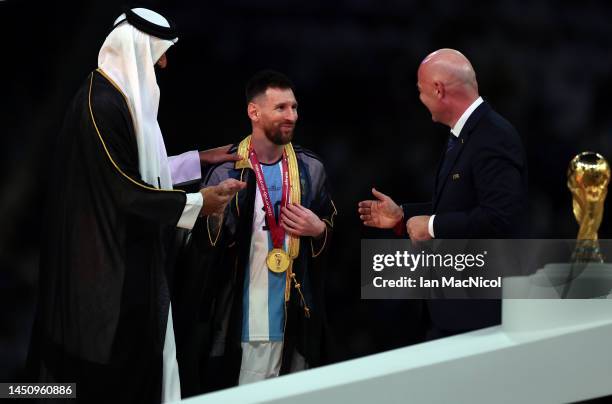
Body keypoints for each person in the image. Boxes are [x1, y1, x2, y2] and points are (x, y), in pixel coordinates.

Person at [27, 8, 245, 403]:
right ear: (137, 48)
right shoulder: (100, 103)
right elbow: (124, 189)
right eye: (159, 52)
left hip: (131, 256)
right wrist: (199, 202)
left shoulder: (120, 98)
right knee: (104, 372)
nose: (163, 62)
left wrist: (200, 159)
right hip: (106, 267)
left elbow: (144, 170)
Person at [173, 70, 337, 395]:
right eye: (281, 108)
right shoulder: (227, 170)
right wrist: (215, 216)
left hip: (295, 321)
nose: (291, 116)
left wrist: (319, 230)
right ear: (254, 112)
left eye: (294, 107)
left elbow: (332, 231)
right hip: (241, 319)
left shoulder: (311, 170)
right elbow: (199, 253)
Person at [358, 48, 528, 339]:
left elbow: (499, 217)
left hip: (478, 314)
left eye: (421, 91)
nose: (420, 100)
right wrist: (403, 216)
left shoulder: (493, 136)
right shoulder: (466, 134)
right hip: (453, 309)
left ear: (438, 90)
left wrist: (432, 226)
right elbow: (459, 204)